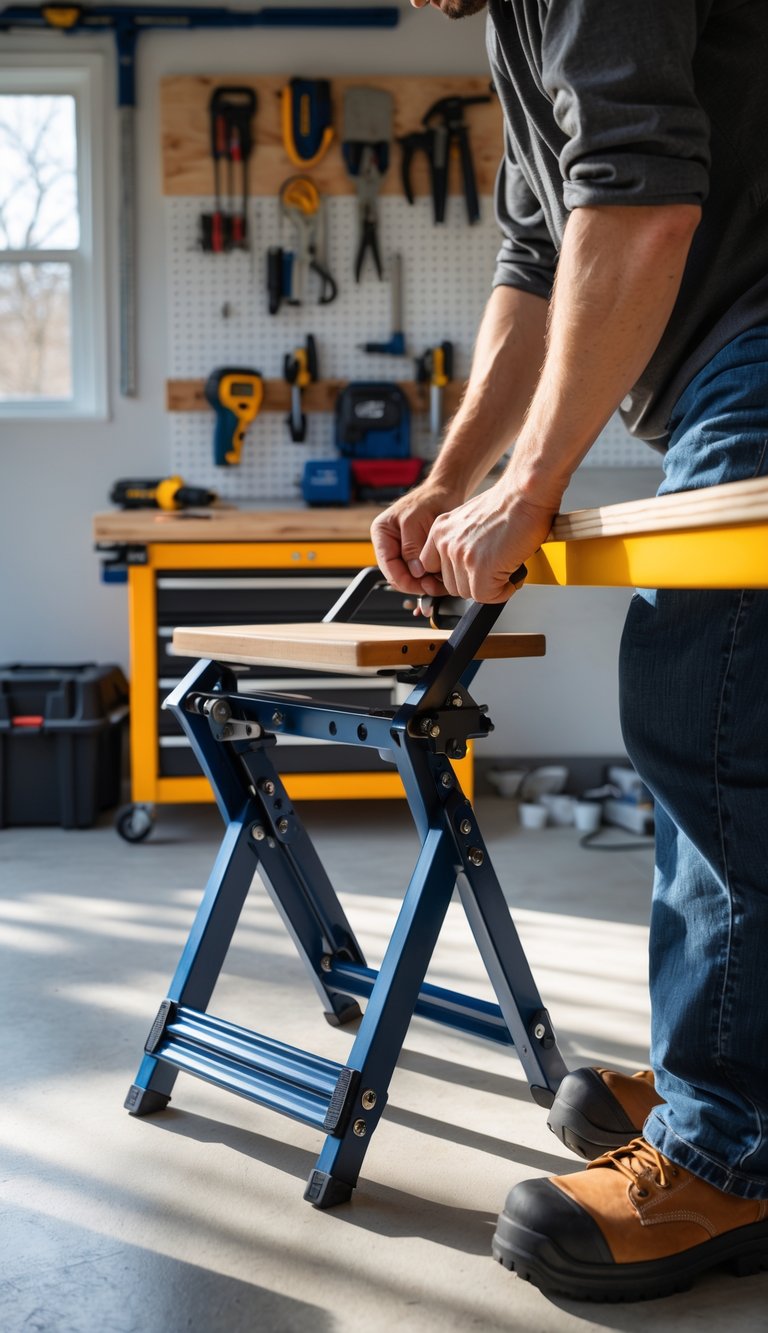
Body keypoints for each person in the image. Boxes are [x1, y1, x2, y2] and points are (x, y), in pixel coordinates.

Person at [372, 0, 768, 1304]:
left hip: (753, 341)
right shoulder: (518, 22)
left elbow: (641, 208)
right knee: (715, 722)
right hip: (718, 358)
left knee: (712, 710)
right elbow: (541, 256)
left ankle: (733, 1140)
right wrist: (450, 480)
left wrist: (530, 483)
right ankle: (729, 1049)